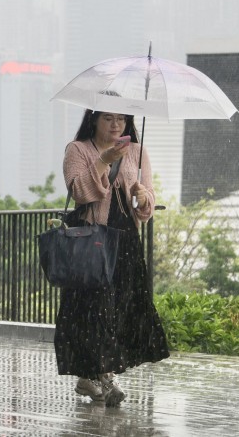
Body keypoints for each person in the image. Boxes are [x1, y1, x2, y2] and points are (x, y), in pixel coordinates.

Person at [57, 109, 170, 405]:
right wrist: (103, 161)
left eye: (121, 118)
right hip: (93, 241)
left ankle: (89, 377)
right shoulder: (77, 149)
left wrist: (144, 198)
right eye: (108, 118)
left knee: (120, 309)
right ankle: (106, 378)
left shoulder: (137, 151)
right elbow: (79, 192)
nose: (116, 124)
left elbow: (146, 200)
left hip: (126, 242)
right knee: (96, 309)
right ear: (94, 119)